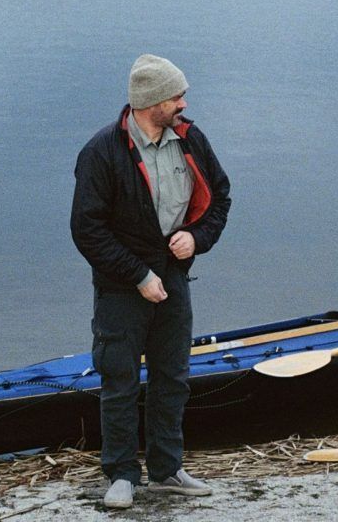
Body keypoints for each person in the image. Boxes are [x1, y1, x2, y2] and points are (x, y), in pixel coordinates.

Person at [71, 55, 231, 509]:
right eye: (176, 96)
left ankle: (166, 469)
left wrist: (197, 238)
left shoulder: (190, 138)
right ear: (151, 102)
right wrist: (138, 275)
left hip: (174, 276)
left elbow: (221, 196)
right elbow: (87, 230)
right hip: (122, 283)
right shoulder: (102, 152)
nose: (184, 102)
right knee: (120, 378)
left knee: (172, 376)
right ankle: (121, 474)